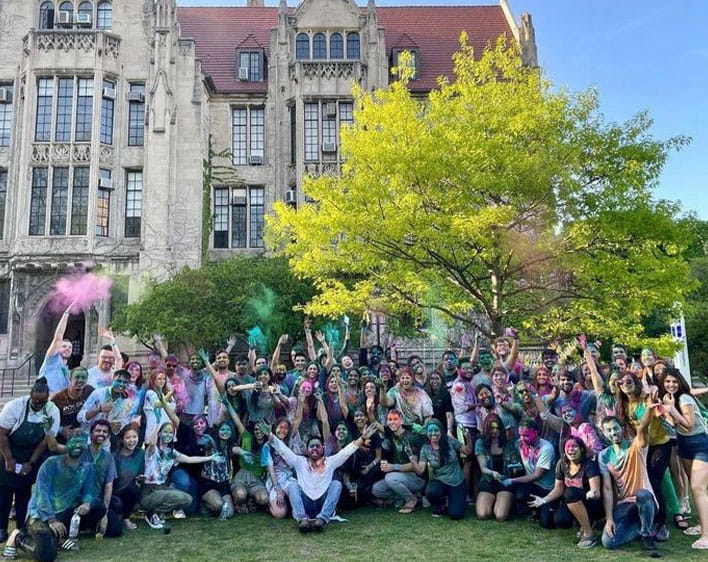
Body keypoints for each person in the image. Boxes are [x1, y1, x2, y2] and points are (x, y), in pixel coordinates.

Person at [260, 420, 377, 532]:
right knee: (292, 485)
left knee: (336, 484)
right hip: (305, 504)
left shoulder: (331, 461)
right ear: (307, 450)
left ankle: (322, 519)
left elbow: (347, 451)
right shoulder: (299, 462)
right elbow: (283, 450)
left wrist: (362, 438)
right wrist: (270, 436)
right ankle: (302, 520)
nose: (315, 448)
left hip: (322, 504)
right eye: (312, 446)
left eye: (317, 446)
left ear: (323, 449)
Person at [3, 430, 100, 559]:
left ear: (85, 446)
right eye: (74, 442)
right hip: (40, 515)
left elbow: (89, 491)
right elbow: (41, 495)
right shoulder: (51, 464)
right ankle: (19, 538)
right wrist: (51, 519)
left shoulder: (87, 468)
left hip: (63, 513)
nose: (77, 446)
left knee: (99, 507)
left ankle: (59, 539)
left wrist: (87, 502)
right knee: (46, 555)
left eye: (80, 443)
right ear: (67, 444)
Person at [0, 378, 60, 543]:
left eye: (42, 401)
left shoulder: (52, 411)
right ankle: (1, 528)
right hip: (8, 449)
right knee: (4, 493)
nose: (38, 404)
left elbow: (45, 441)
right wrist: (9, 459)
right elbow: (1, 434)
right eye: (35, 400)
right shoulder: (15, 406)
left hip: (31, 453)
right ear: (30, 395)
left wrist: (31, 463)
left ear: (47, 398)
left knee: (24, 492)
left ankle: (21, 527)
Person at [599, 409, 662, 557]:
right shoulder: (604, 456)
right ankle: (641, 527)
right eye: (609, 430)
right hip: (624, 505)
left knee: (643, 495)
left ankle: (647, 535)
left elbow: (643, 429)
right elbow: (607, 489)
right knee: (609, 542)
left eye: (615, 428)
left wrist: (649, 410)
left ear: (623, 429)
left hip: (645, 501)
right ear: (604, 433)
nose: (613, 432)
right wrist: (609, 519)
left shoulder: (636, 447)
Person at [658, 369, 708, 549]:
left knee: (697, 487)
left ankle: (706, 535)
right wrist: (666, 413)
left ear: (680, 382)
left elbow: (688, 424)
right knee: (697, 490)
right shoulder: (668, 399)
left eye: (674, 381)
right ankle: (702, 524)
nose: (671, 385)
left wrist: (672, 410)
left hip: (701, 443)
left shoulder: (684, 399)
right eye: (667, 382)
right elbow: (674, 425)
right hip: (684, 445)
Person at [140, 422, 220, 530]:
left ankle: (156, 513)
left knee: (187, 499)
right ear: (159, 434)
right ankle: (152, 514)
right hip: (149, 491)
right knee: (174, 496)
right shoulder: (153, 450)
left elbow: (190, 459)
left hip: (162, 488)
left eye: (170, 433)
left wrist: (210, 458)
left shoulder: (172, 453)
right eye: (165, 432)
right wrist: (156, 422)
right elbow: (152, 442)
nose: (168, 435)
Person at [529, 436, 602, 548]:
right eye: (568, 447)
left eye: (574, 446)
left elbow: (597, 493)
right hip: (572, 501)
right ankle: (582, 523)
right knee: (560, 521)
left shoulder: (589, 465)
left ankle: (589, 534)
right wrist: (543, 500)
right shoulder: (562, 464)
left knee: (570, 492)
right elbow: (558, 488)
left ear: (581, 449)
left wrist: (592, 493)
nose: (571, 449)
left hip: (592, 503)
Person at [501, 419, 558, 529]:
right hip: (532, 484)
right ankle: (534, 511)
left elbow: (536, 475)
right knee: (520, 495)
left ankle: (549, 508)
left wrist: (512, 480)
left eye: (526, 435)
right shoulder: (521, 443)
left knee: (546, 524)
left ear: (536, 433)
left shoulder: (546, 448)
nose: (522, 438)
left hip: (546, 488)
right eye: (521, 435)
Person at [409, 419, 470, 520]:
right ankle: (440, 504)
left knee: (455, 514)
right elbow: (420, 470)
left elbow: (467, 451)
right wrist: (411, 459)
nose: (434, 433)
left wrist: (468, 438)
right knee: (431, 491)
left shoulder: (449, 440)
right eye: (430, 431)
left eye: (436, 430)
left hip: (456, 481)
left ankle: (453, 500)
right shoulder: (425, 448)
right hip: (440, 480)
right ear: (427, 433)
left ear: (441, 431)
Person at [372, 410, 426, 514]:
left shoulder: (411, 437)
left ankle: (411, 499)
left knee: (390, 478)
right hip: (398, 477)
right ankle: (401, 496)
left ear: (401, 420)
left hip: (415, 478)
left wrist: (393, 467)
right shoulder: (390, 433)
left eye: (395, 419)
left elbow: (415, 466)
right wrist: (370, 408)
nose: (392, 422)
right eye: (390, 419)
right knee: (376, 489)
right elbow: (374, 423)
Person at [475, 414, 523, 522]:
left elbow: (515, 462)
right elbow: (483, 467)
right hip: (488, 480)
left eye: (497, 428)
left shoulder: (508, 443)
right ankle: (491, 502)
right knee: (482, 514)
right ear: (487, 429)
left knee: (501, 516)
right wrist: (492, 473)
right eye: (492, 428)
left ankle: (504, 502)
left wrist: (515, 468)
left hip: (505, 481)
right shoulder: (480, 443)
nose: (495, 431)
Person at [81, 420, 123, 538]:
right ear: (91, 433)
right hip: (79, 500)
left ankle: (93, 523)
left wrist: (105, 512)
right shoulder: (81, 452)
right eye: (98, 431)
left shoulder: (108, 457)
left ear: (108, 436)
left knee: (116, 530)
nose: (101, 434)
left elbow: (109, 485)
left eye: (105, 432)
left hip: (98, 502)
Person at [78, 369, 136, 448]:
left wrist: (117, 426)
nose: (121, 384)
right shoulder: (98, 393)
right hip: (86, 438)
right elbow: (80, 417)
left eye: (125, 382)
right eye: (119, 381)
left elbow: (119, 426)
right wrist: (99, 409)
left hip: (104, 442)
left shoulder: (125, 402)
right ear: (113, 379)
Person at [112, 424, 144, 531]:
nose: (132, 440)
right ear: (122, 439)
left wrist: (141, 478)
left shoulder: (140, 454)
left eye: (134, 437)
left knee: (132, 490)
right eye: (128, 437)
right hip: (114, 494)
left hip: (130, 492)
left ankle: (126, 518)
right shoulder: (114, 456)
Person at [50, 367, 94, 444]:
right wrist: (61, 430)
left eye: (83, 377)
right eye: (77, 377)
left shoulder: (90, 391)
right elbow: (48, 420)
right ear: (70, 379)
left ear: (87, 379)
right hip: (63, 438)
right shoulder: (58, 398)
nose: (80, 380)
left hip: (84, 436)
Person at [37, 304, 74, 395]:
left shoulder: (67, 372)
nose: (67, 349)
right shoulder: (51, 360)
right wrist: (66, 313)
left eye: (69, 347)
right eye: (64, 346)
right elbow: (58, 338)